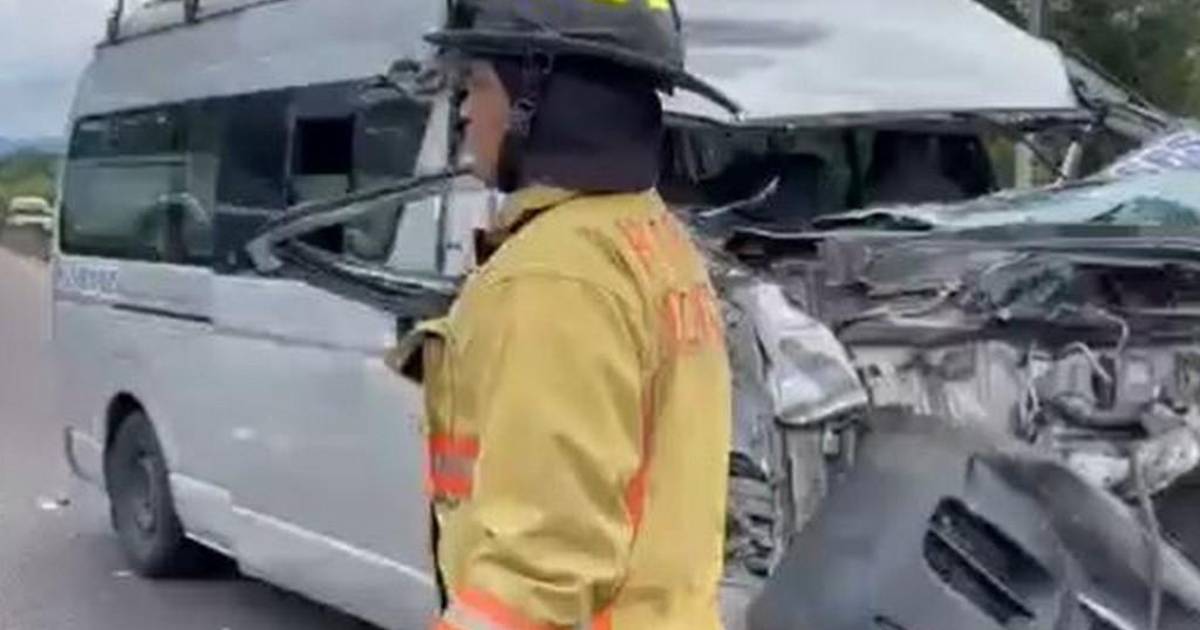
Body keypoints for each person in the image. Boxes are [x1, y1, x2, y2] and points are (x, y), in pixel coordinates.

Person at [397, 1, 736, 628]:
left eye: (479, 82)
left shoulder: (553, 276)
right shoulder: (655, 240)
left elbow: (541, 565)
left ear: (538, 100)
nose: (464, 110)